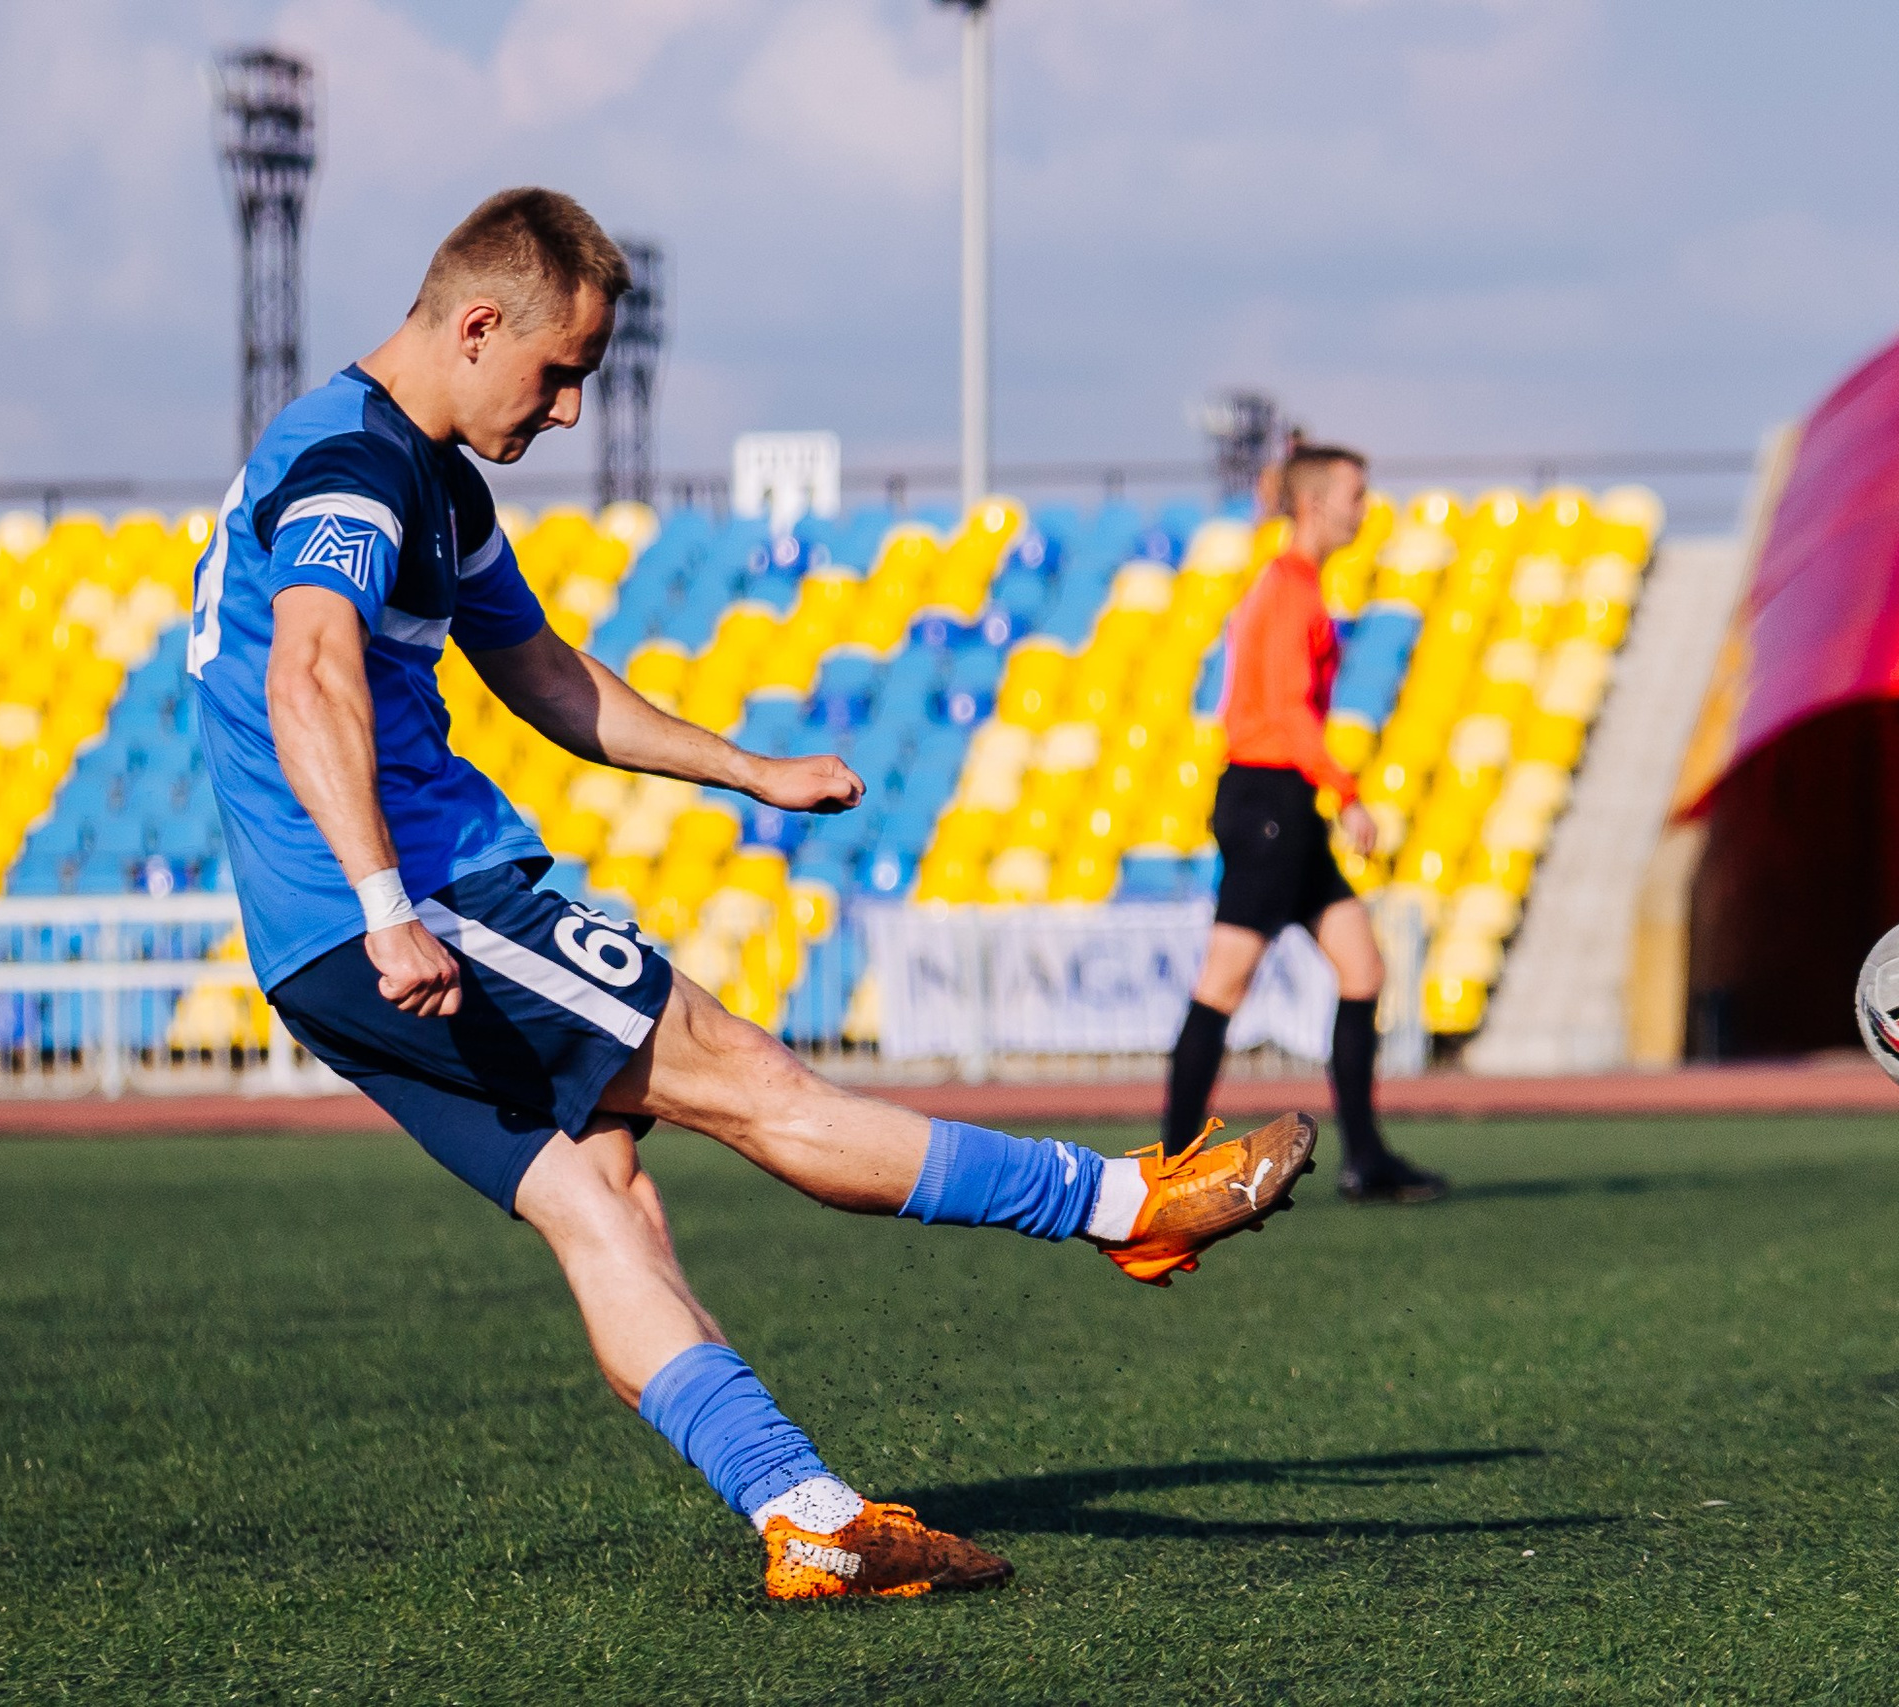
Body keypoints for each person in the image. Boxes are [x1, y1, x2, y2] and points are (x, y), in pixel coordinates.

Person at [187, 188, 1318, 1601]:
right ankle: (1114, 1202)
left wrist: (746, 769)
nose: (567, 413)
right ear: (477, 325)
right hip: (424, 902)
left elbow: (541, 672)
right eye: (558, 376)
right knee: (747, 1079)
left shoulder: (431, 483)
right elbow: (308, 671)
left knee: (605, 1207)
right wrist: (385, 896)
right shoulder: (359, 465)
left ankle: (804, 1511)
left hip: (320, 945)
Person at [1160, 444, 1445, 1205]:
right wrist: (1346, 791)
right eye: (1356, 493)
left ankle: (1367, 1160)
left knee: (1363, 967)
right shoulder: (1288, 590)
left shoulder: (1297, 585)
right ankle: (1172, 1168)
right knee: (1223, 981)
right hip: (1269, 803)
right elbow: (1286, 711)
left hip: (1282, 805)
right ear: (1316, 503)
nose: (1366, 506)